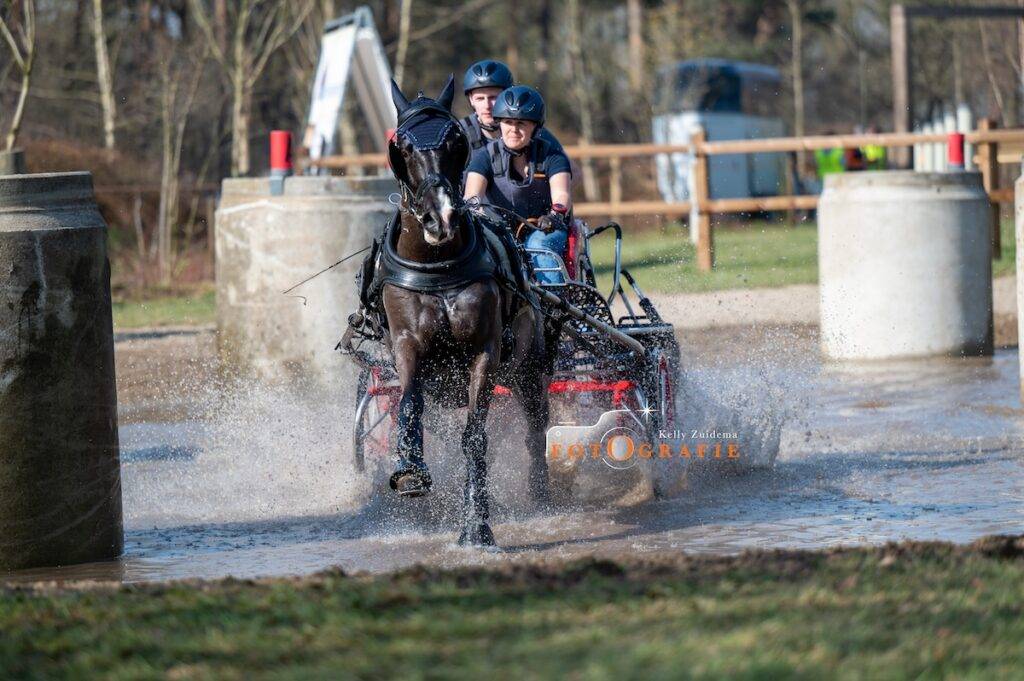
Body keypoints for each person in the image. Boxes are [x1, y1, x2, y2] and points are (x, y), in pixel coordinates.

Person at [464, 86, 572, 285]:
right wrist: (478, 215)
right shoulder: (484, 157)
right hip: (500, 232)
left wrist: (555, 215)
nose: (513, 129)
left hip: (547, 229)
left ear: (535, 127)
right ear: (499, 123)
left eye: (521, 123)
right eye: (508, 122)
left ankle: (553, 300)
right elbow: (472, 196)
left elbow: (562, 194)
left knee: (537, 244)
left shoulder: (552, 156)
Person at [460, 59, 564, 154]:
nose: (487, 105)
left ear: (508, 97)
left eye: (493, 98)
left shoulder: (534, 133)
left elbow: (565, 165)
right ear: (471, 100)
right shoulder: (459, 134)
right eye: (480, 99)